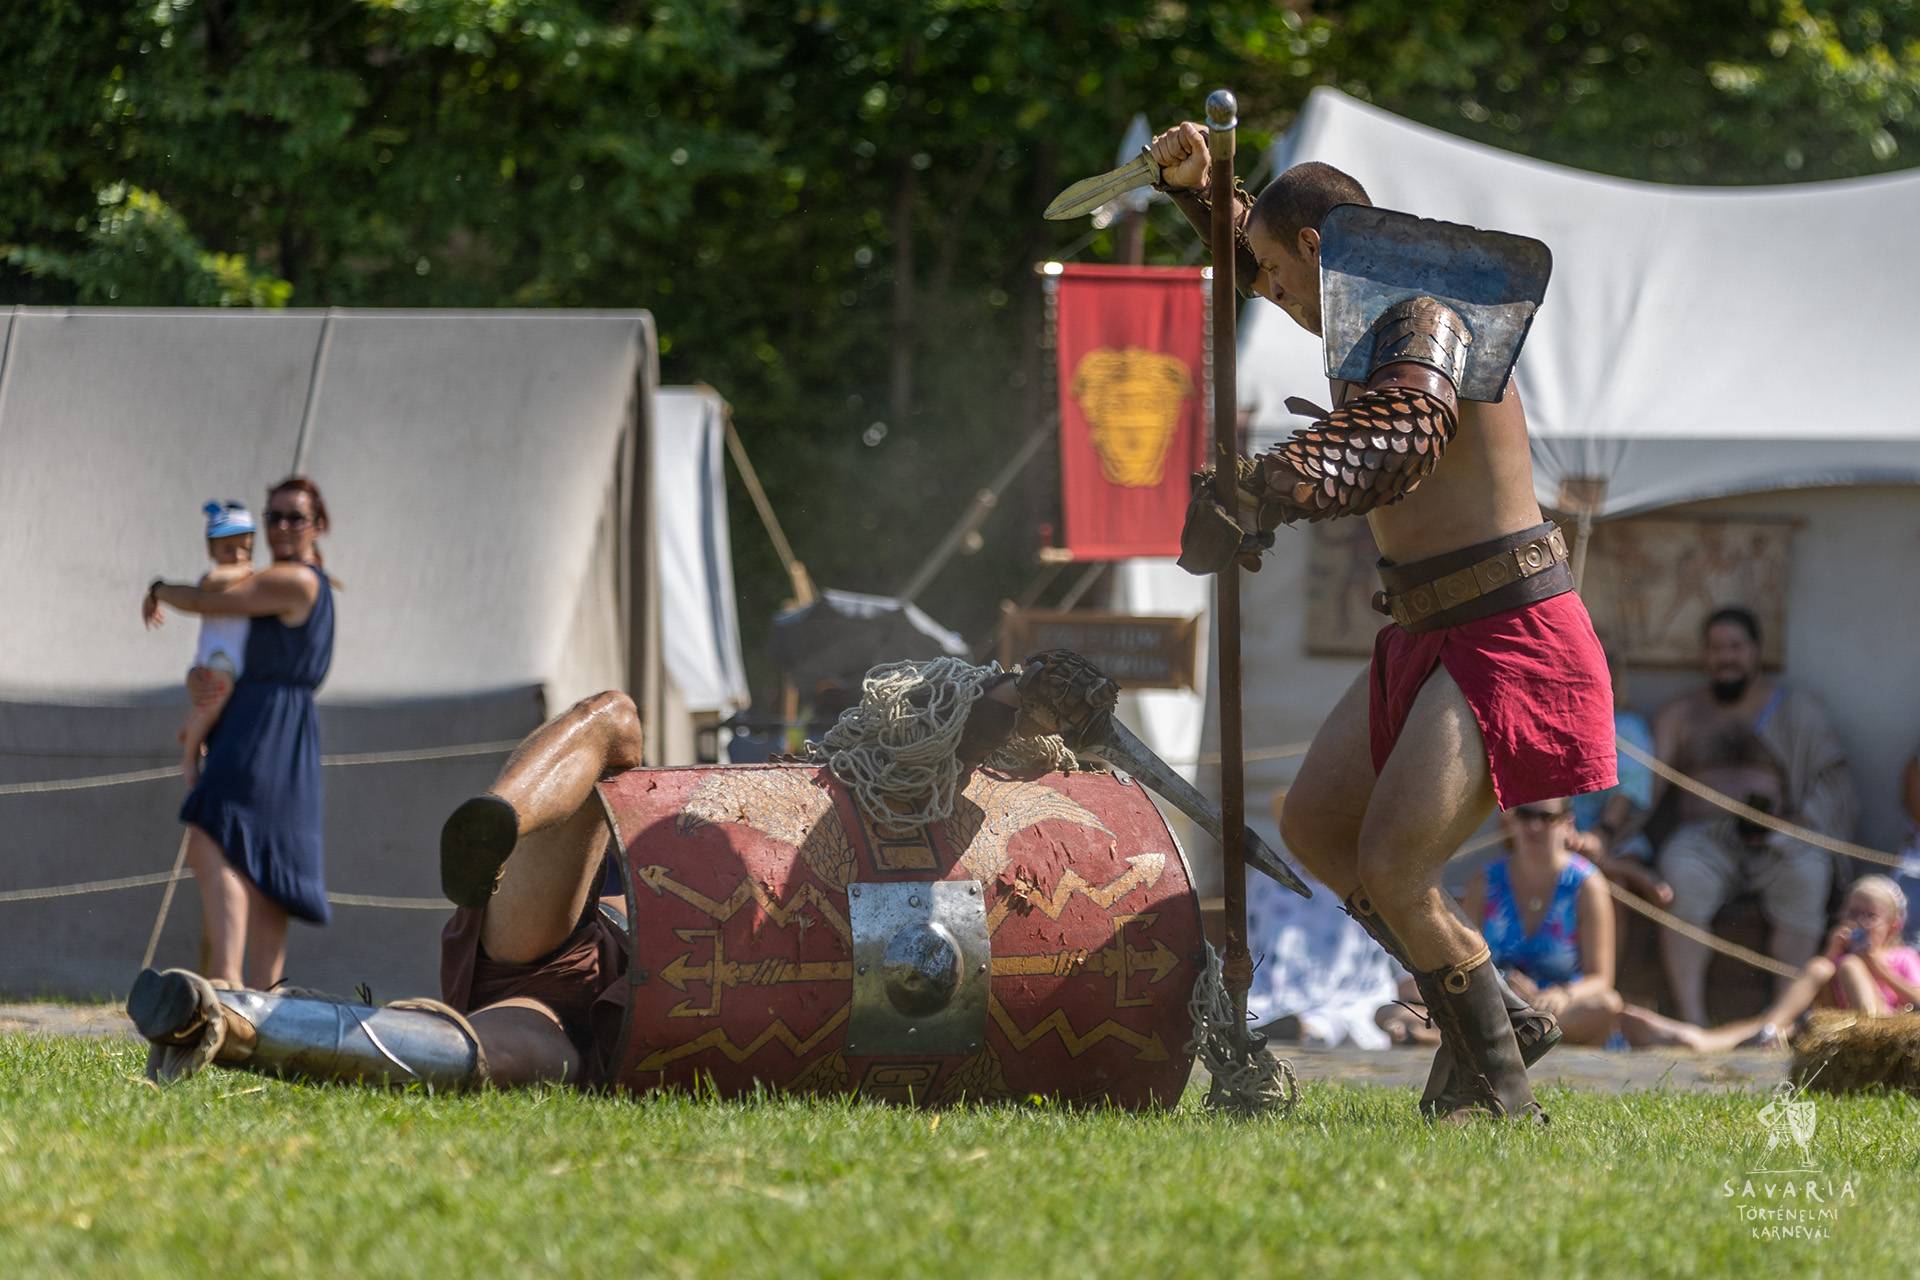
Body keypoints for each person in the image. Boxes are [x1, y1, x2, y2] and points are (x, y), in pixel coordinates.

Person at [1148, 123, 1617, 1121]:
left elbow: (1402, 435)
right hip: (1425, 628)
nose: (1266, 292)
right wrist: (1208, 191)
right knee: (1315, 824)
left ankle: (1495, 1090)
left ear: (1318, 248)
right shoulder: (1357, 313)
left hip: (1507, 629)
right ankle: (1496, 1013)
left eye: (1277, 273)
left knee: (1396, 866)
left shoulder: (1424, 315)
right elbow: (1264, 246)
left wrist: (1266, 485)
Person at [140, 477, 337, 988]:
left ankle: (227, 983)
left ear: (318, 525)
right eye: (273, 517)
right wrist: (201, 679)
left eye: (294, 517)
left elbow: (208, 600)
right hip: (265, 721)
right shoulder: (278, 581)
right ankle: (264, 998)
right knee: (262, 860)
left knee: (212, 835)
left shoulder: (295, 581)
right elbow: (228, 642)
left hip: (267, 728)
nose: (282, 527)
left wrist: (159, 589)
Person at [1625, 606, 1856, 1026]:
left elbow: (1830, 778)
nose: (1725, 657)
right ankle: (1692, 1020)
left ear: (1756, 652)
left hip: (1777, 835)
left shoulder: (1792, 711)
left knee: (1809, 875)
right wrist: (1614, 834)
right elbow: (1645, 787)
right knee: (1679, 875)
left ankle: (1781, 1021)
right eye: (1716, 649)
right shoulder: (1683, 714)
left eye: (1735, 647)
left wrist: (1796, 823)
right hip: (1703, 838)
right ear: (1704, 656)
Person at [1622, 875, 1920, 1051]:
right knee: (1817, 972)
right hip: (1835, 1030)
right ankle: (1708, 1039)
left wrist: (1876, 968)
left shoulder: (1901, 957)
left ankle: (1720, 1036)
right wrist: (1831, 954)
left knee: (1849, 967)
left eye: (1869, 916)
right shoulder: (1837, 960)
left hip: (1881, 1029)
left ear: (1893, 926)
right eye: (1852, 913)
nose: (1858, 922)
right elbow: (1820, 995)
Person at [1462, 797, 1622, 1045]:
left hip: (1560, 1008)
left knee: (1606, 1004)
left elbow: (1600, 979)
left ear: (1567, 823)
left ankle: (1516, 1036)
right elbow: (1464, 961)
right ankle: (1523, 1035)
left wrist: (1561, 995)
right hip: (1499, 1001)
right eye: (1525, 815)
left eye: (1547, 817)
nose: (1534, 826)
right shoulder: (1484, 881)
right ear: (1511, 821)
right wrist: (1503, 982)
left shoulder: (1587, 884)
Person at [160, 502, 257, 787]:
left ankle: (192, 728)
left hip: (234, 660)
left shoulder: (250, 582)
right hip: (220, 657)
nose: (238, 556)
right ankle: (190, 757)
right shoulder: (221, 579)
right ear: (212, 551)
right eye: (228, 549)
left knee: (213, 704)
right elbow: (213, 581)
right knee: (217, 695)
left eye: (245, 549)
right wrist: (247, 570)